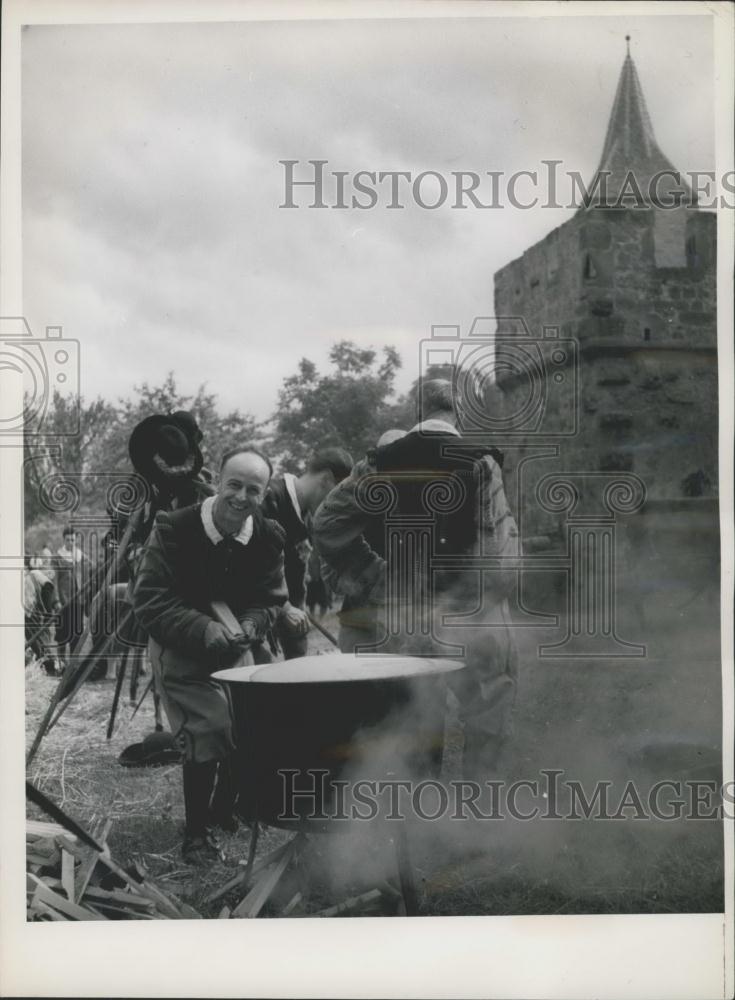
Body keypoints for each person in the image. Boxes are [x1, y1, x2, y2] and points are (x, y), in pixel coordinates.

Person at [313, 380, 519, 777]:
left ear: (416, 414)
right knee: (487, 716)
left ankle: (416, 826)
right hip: (471, 619)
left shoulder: (379, 461)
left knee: (414, 718)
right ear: (458, 412)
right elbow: (497, 559)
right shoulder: (480, 461)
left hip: (404, 616)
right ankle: (477, 824)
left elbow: (326, 525)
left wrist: (375, 578)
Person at [132, 446, 287, 862]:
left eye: (253, 490)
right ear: (218, 482)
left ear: (264, 493)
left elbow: (272, 597)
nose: (241, 497)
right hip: (180, 645)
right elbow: (148, 600)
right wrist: (203, 629)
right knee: (210, 728)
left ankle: (225, 809)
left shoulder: (268, 536)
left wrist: (253, 625)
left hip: (237, 646)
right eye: (233, 485)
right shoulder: (174, 529)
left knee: (255, 721)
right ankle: (196, 834)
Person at [262, 448, 353, 659]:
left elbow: (295, 580)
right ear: (327, 479)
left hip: (284, 624)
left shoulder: (305, 516)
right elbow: (249, 573)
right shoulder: (269, 502)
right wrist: (285, 609)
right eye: (339, 493)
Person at [54, 526, 89, 660]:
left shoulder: (81, 557)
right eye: (68, 540)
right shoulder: (57, 558)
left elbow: (87, 577)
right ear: (64, 540)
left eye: (73, 540)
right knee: (62, 634)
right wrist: (56, 600)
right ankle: (61, 663)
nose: (71, 543)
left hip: (78, 601)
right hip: (63, 603)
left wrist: (86, 598)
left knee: (76, 633)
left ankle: (72, 664)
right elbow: (54, 580)